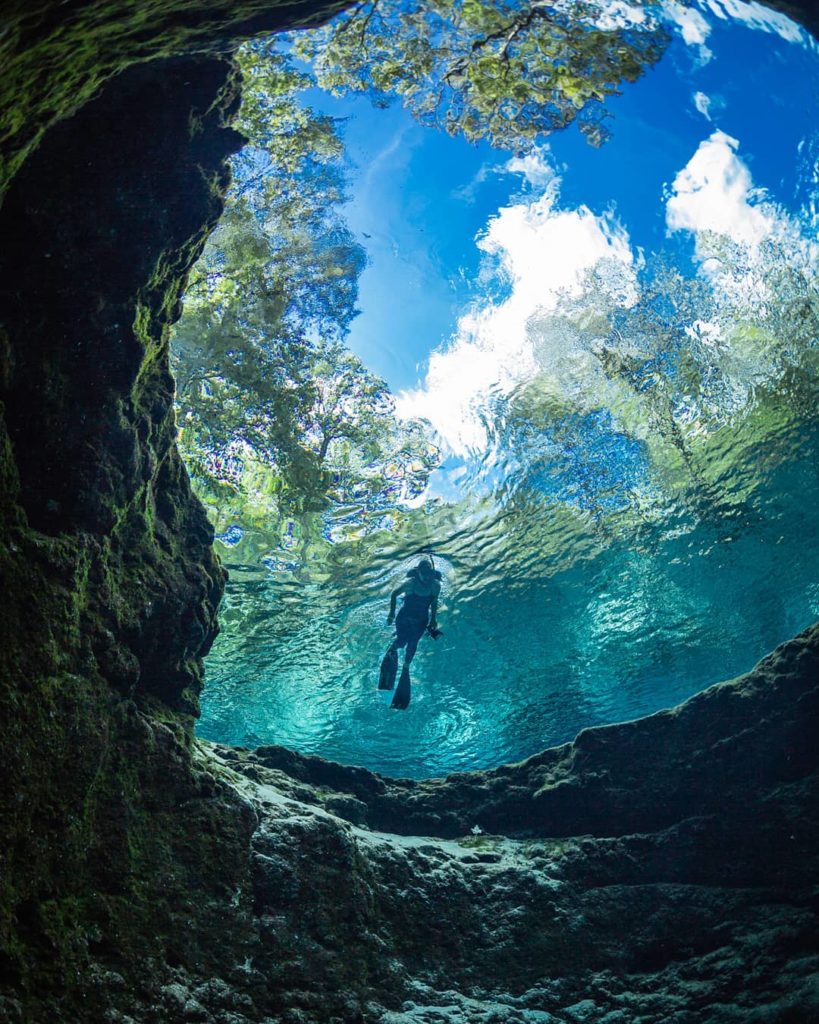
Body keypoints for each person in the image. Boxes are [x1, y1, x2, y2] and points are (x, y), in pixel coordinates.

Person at [378, 556, 442, 710]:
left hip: (421, 621)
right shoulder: (410, 584)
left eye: (430, 574)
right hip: (405, 618)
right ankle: (393, 648)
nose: (427, 577)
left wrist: (433, 619)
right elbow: (394, 594)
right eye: (424, 574)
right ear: (418, 572)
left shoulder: (435, 586)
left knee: (412, 645)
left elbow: (434, 602)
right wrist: (391, 614)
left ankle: (406, 666)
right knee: (401, 642)